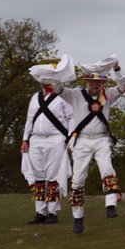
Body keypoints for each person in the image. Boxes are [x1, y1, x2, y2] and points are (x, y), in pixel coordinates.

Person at [60, 61, 125, 233]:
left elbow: (122, 86)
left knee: (107, 169)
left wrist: (117, 69)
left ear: (102, 83)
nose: (94, 85)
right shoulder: (75, 95)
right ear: (86, 82)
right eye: (91, 81)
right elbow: (57, 89)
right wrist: (58, 74)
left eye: (98, 82)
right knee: (78, 179)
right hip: (81, 141)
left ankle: (111, 205)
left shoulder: (108, 94)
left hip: (101, 140)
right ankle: (78, 217)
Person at [22, 57, 77, 225]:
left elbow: (72, 118)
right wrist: (25, 139)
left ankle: (53, 211)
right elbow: (29, 120)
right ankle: (40, 211)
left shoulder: (64, 97)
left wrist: (70, 139)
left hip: (56, 140)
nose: (46, 84)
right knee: (38, 176)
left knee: (53, 176)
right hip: (36, 140)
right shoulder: (35, 97)